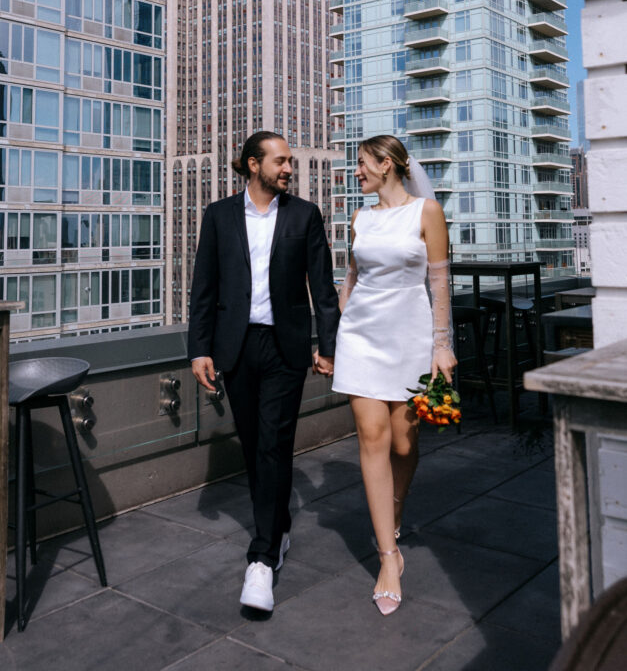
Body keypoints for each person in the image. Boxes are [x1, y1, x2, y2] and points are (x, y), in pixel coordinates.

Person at [188, 131, 340, 613]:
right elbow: (203, 288)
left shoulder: (304, 215)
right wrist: (199, 350)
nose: (289, 168)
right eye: (280, 161)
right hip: (236, 347)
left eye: (291, 161)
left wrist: (329, 346)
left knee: (274, 441)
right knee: (256, 445)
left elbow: (324, 288)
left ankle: (261, 557)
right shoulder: (218, 216)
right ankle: (279, 527)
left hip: (285, 347)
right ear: (253, 164)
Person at [328, 134, 457, 616]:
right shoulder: (361, 219)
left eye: (361, 164)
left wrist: (440, 346)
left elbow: (439, 280)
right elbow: (351, 281)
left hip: (409, 338)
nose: (356, 172)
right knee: (372, 436)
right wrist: (332, 338)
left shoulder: (426, 213)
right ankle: (387, 554)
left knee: (404, 443)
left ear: (386, 165)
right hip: (360, 338)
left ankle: (394, 512)